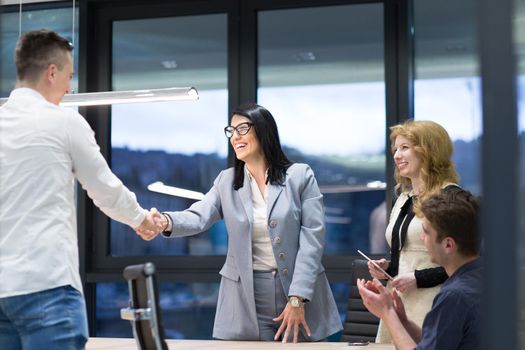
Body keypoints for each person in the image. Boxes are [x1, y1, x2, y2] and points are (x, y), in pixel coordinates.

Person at [0, 29, 160, 349]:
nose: (70, 87)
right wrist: (141, 219)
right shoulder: (63, 122)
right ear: (52, 72)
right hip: (46, 286)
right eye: (69, 76)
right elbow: (105, 188)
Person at [137, 103, 342, 343]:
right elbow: (199, 216)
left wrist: (297, 298)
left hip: (299, 293)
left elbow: (312, 239)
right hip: (246, 297)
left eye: (242, 129)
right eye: (231, 131)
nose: (235, 137)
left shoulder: (299, 176)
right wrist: (164, 221)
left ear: (264, 131)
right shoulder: (226, 181)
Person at [367, 120, 459, 343]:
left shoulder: (451, 197)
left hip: (434, 300)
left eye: (405, 147)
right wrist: (387, 268)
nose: (397, 155)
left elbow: (466, 263)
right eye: (395, 149)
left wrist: (419, 278)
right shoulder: (402, 198)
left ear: (429, 150)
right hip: (399, 300)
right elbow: (405, 254)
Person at [358, 188, 481, 350]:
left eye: (426, 232)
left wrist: (387, 313)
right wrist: (403, 322)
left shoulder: (454, 296)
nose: (422, 239)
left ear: (448, 245)